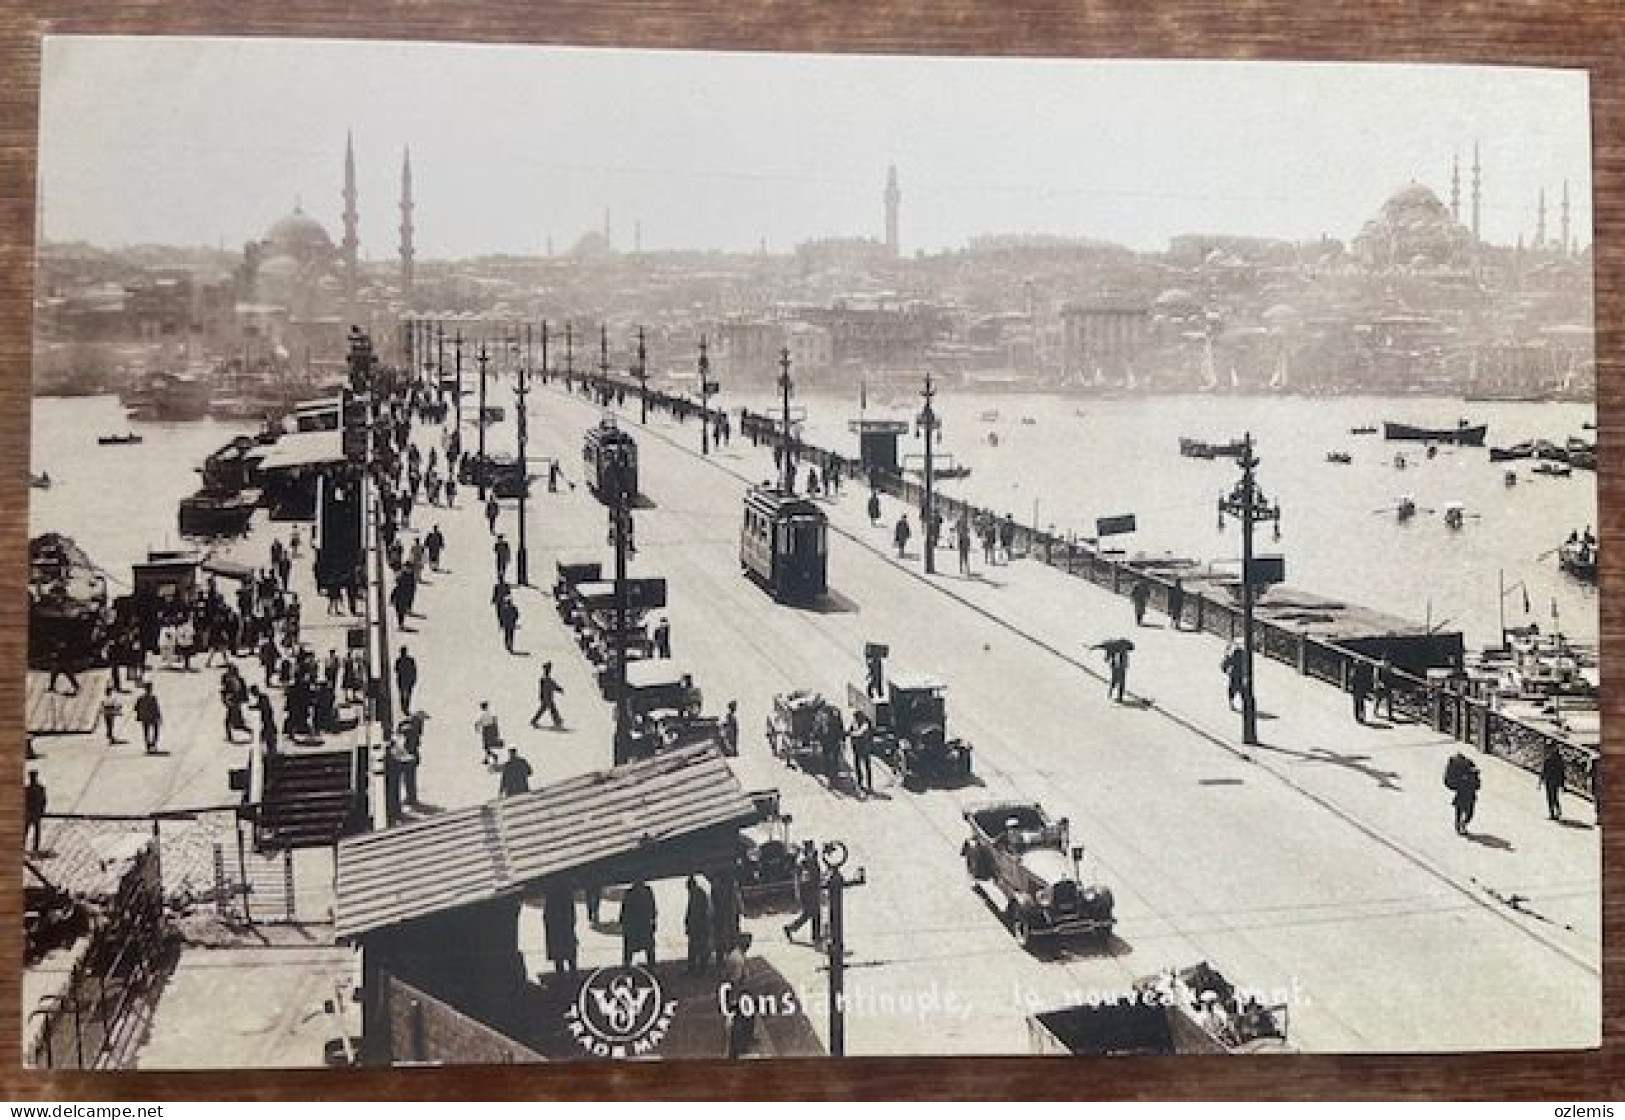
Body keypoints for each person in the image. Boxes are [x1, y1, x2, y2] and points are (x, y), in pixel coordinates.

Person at [783, 841, 823, 944]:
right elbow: (803, 878)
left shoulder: (812, 861)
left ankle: (815, 936)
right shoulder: (804, 863)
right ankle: (792, 928)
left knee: (814, 914)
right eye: (809, 850)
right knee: (811, 913)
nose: (810, 851)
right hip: (807, 892)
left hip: (813, 890)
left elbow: (816, 874)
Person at [620, 880, 658, 967]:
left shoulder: (629, 893)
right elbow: (653, 908)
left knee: (629, 949)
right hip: (643, 925)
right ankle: (651, 966)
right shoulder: (647, 892)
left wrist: (623, 923)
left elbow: (624, 911)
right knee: (649, 947)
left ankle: (627, 966)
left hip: (634, 926)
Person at [542, 890, 578, 976]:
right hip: (561, 904)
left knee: (558, 940)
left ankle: (563, 970)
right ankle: (570, 970)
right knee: (566, 939)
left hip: (556, 904)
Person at [1444, 752, 1481, 835]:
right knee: (1459, 811)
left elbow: (1477, 782)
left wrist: (1473, 780)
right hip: (1461, 793)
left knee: (1470, 813)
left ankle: (1463, 824)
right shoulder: (1455, 770)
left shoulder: (1470, 766)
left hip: (1470, 794)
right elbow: (1449, 780)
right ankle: (1459, 825)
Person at [685, 875, 714, 975]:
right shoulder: (697, 894)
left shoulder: (698, 895)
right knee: (695, 948)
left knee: (700, 948)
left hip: (699, 926)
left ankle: (701, 969)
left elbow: (697, 912)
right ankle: (695, 968)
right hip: (697, 926)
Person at [530, 662, 565, 729]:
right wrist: (559, 689)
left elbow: (551, 686)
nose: (550, 670)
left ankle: (534, 720)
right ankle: (557, 721)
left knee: (545, 709)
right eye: (549, 669)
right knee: (552, 708)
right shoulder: (546, 679)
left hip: (545, 696)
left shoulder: (544, 679)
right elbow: (552, 685)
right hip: (547, 697)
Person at [849, 709, 875, 795]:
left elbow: (859, 733)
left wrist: (850, 733)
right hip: (857, 749)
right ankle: (860, 783)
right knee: (858, 766)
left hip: (864, 749)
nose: (854, 720)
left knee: (866, 767)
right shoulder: (855, 723)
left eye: (855, 718)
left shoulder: (866, 724)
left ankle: (869, 785)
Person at [1540, 746, 1567, 821]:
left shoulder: (1548, 760)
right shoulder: (1560, 762)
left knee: (1550, 797)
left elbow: (1543, 771)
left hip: (1549, 781)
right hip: (1555, 781)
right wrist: (1563, 785)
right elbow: (1562, 774)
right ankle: (1556, 810)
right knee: (1554, 796)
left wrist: (1541, 781)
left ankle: (1552, 813)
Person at [134, 683, 163, 753]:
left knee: (146, 732)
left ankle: (148, 746)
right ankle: (153, 745)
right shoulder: (153, 698)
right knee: (155, 730)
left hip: (144, 718)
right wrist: (159, 717)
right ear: (150, 689)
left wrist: (140, 715)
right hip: (152, 717)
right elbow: (156, 708)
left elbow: (135, 708)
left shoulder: (140, 698)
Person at [25, 771, 47, 853]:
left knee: (34, 831)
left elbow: (43, 801)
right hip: (31, 813)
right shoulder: (29, 789)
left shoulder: (30, 789)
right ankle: (33, 847)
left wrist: (42, 810)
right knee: (27, 831)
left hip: (33, 813)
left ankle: (35, 847)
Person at [474, 701, 502, 767]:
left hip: (486, 730)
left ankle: (492, 756)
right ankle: (488, 758)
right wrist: (496, 731)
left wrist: (477, 729)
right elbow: (495, 720)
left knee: (486, 746)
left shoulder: (482, 715)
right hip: (492, 729)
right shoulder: (491, 713)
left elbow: (478, 723)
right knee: (490, 744)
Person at [1350, 659, 1374, 725]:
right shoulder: (1363, 671)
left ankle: (1358, 716)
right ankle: (1361, 716)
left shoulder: (1355, 671)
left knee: (1357, 703)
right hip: (1360, 689)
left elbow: (1352, 680)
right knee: (1360, 703)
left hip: (1357, 689)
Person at [394, 646, 418, 712]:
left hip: (402, 680)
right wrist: (414, 679)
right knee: (407, 694)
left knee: (403, 694)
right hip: (408, 679)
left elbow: (396, 670)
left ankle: (404, 707)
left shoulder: (399, 660)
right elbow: (414, 670)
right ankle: (406, 707)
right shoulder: (410, 660)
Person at [1222, 646, 1247, 711]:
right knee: (1241, 691)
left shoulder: (1234, 657)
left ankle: (1232, 703)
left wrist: (1225, 668)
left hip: (1235, 675)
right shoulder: (1242, 658)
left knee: (1235, 690)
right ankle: (1237, 704)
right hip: (1238, 676)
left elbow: (1226, 664)